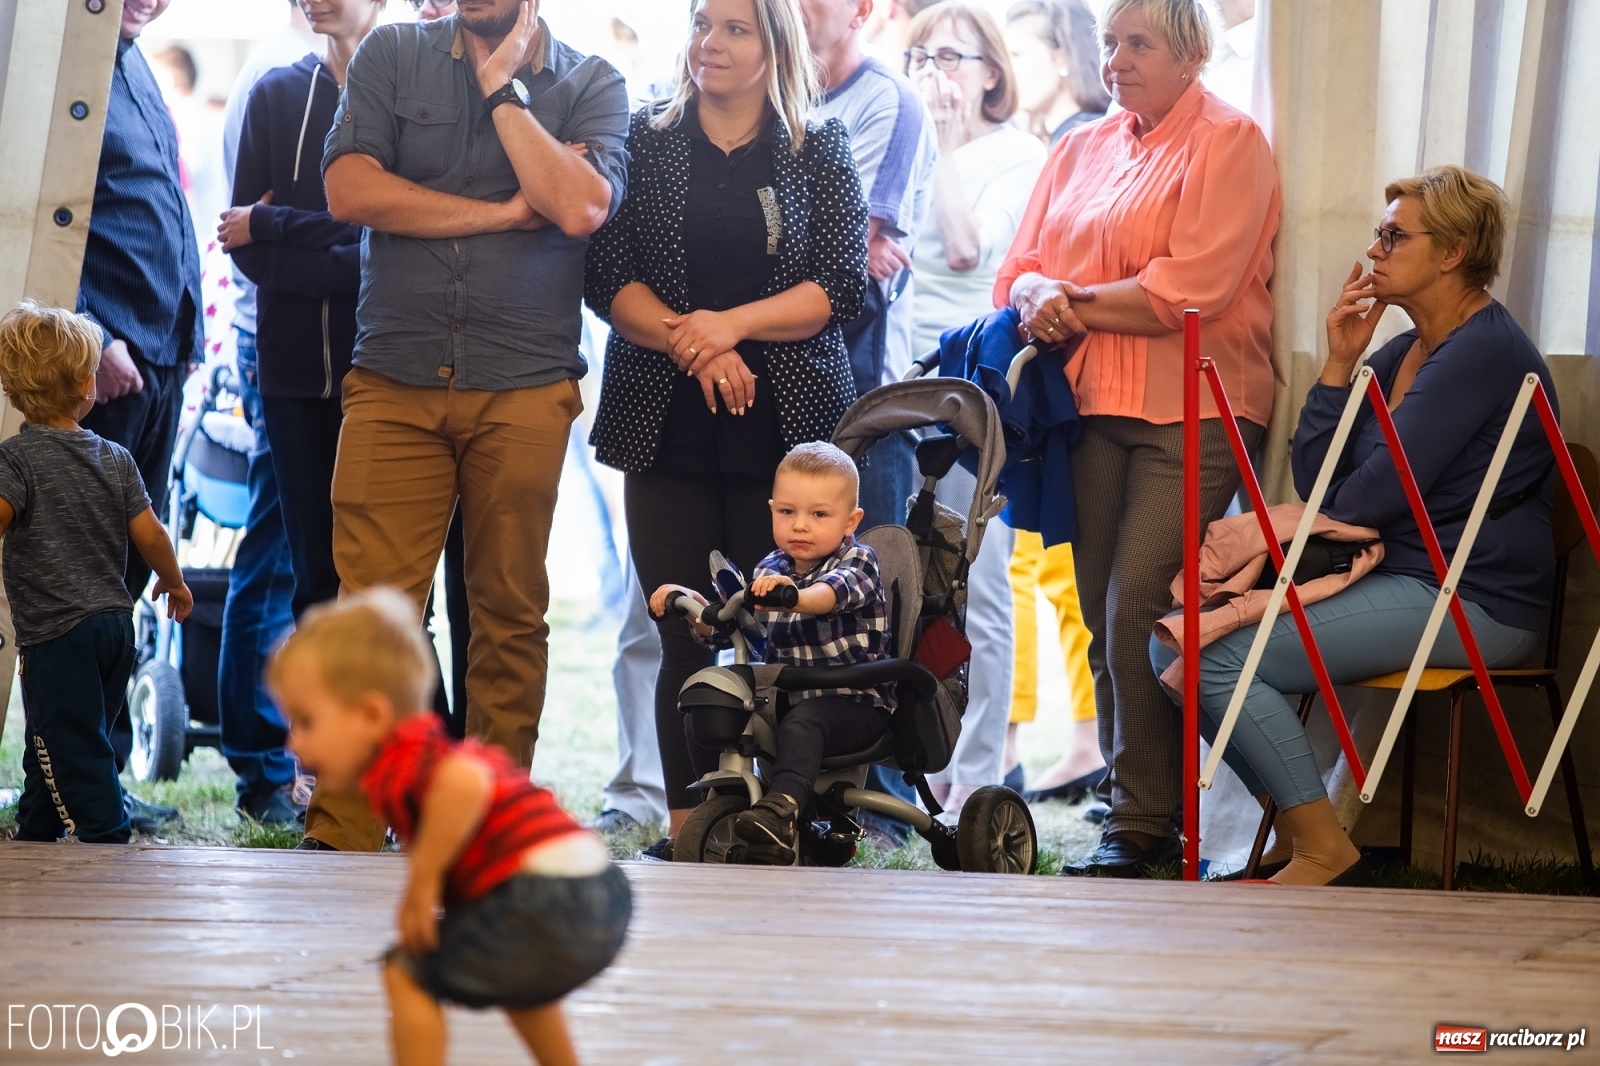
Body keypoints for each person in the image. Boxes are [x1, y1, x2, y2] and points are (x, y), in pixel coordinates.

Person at [1151, 167, 1555, 886]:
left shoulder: (1483, 352)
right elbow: (1321, 483)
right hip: (1403, 576)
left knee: (1215, 659)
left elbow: (1362, 502)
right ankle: (1304, 829)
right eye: (1379, 232)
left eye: (1394, 236)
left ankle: (1323, 851)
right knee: (1172, 648)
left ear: (1452, 252)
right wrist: (1340, 364)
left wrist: (1348, 495)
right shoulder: (1405, 352)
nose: (1374, 250)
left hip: (1474, 597)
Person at [302, 0, 630, 852]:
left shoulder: (592, 81)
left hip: (524, 381)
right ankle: (343, 830)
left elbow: (578, 207)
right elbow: (349, 190)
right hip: (395, 376)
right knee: (371, 615)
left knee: (508, 612)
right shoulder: (390, 53)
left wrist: (501, 91)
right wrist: (502, 213)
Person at [996, 0, 1280, 877]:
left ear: (1191, 52)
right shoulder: (1079, 146)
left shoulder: (1230, 141)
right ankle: (1136, 806)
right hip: (1090, 406)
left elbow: (1186, 289)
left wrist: (1066, 301)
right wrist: (1036, 291)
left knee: (1137, 611)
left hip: (1197, 405)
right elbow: (1017, 270)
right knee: (1096, 611)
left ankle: (1148, 820)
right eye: (1109, 42)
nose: (1115, 59)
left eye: (1138, 43)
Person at [585, 0, 869, 859]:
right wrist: (698, 345)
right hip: (662, 422)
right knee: (684, 628)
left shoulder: (818, 145)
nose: (709, 42)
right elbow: (607, 278)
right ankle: (688, 834)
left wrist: (729, 328)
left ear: (773, 46)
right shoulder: (644, 138)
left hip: (786, 431)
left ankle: (785, 821)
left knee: (784, 635)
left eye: (734, 29)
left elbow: (839, 286)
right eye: (702, 23)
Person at [267, 589, 630, 1065]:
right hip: (593, 886)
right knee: (521, 979)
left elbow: (465, 782)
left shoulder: (405, 759)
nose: (293, 744)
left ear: (372, 715)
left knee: (407, 973)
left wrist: (422, 883)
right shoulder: (417, 752)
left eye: (306, 721)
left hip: (549, 893)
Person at [899, 2, 1044, 808]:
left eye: (950, 57)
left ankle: (980, 770)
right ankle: (911, 755)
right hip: (894, 380)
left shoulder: (1016, 156)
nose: (933, 74)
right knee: (903, 575)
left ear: (991, 71)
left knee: (977, 580)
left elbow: (966, 252)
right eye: (919, 58)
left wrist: (944, 144)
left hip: (973, 390)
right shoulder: (900, 137)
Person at [0, 303, 193, 845]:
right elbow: (152, 534)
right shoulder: (116, 458)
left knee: (73, 746)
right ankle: (37, 829)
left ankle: (107, 835)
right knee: (61, 739)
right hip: (113, 628)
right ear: (87, 385)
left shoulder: (15, 461)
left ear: (13, 390)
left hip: (58, 635)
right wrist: (174, 582)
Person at [76, 0, 201, 835]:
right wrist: (91, 333)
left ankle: (103, 777)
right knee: (87, 586)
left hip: (162, 359)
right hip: (106, 365)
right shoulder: (67, 72)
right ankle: (71, 783)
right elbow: (39, 212)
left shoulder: (138, 63)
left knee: (123, 581)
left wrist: (186, 343)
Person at [650, 443, 892, 864]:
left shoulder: (859, 560)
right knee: (710, 704)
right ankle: (718, 805)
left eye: (819, 515)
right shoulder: (771, 568)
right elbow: (735, 630)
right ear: (772, 510)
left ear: (850, 521)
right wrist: (692, 606)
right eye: (787, 512)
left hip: (853, 704)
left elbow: (828, 596)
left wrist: (792, 595)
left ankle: (780, 812)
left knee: (805, 721)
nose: (800, 525)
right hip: (785, 700)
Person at [998, 3, 1108, 806]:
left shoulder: (1084, 140)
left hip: (1073, 384)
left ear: (1065, 56)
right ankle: (1053, 740)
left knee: (1062, 574)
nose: (1011, 66)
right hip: (1046, 376)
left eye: (1023, 50)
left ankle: (1085, 742)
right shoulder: (1056, 142)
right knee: (1036, 572)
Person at [802, 0, 937, 530]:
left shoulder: (888, 98)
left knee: (868, 567)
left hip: (863, 391)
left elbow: (845, 245)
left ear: (861, 10)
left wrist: (850, 244)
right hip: (780, 377)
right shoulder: (761, 89)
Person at [1003, 0, 1109, 146]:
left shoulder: (1089, 139)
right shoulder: (1051, 140)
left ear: (1061, 59)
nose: (1006, 70)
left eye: (1016, 55)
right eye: (1004, 58)